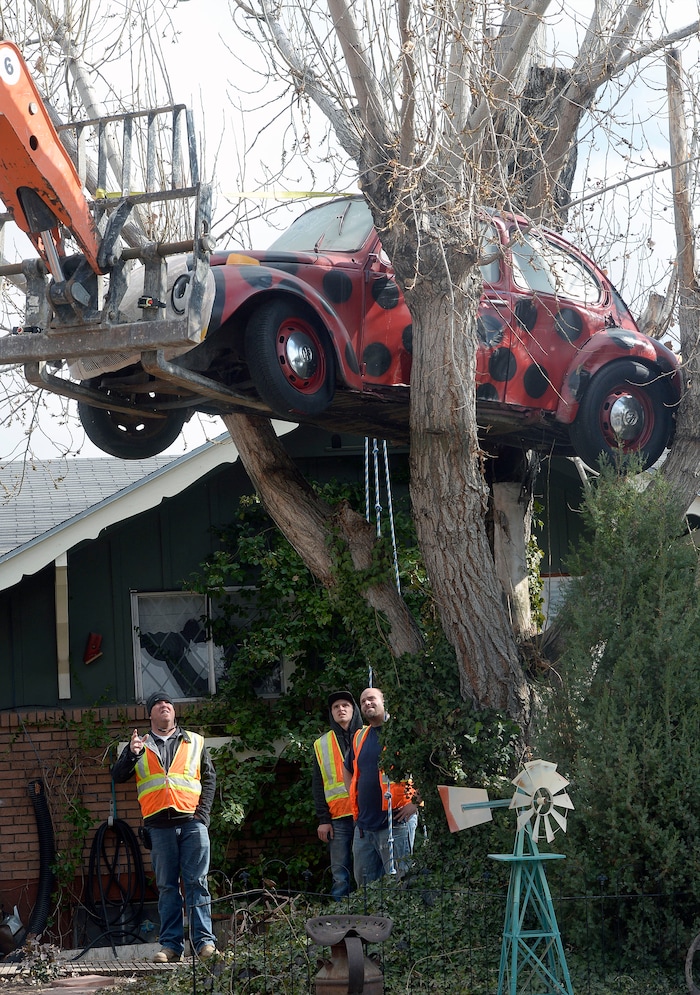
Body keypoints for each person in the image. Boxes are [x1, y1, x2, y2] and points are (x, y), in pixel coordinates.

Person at [112, 692, 217, 963]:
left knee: (198, 883)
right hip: (159, 827)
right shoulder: (139, 745)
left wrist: (202, 816)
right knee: (168, 888)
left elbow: (209, 778)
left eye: (168, 704)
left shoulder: (194, 741)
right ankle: (171, 947)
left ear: (174, 712)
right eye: (158, 705)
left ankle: (204, 944)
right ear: (151, 714)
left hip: (192, 824)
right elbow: (118, 776)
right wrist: (131, 755)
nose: (164, 707)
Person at [343, 686, 419, 886]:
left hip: (395, 824)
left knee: (402, 884)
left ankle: (400, 919)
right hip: (364, 827)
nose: (367, 703)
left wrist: (417, 802)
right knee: (366, 890)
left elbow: (425, 766)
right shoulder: (360, 736)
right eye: (363, 701)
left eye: (371, 699)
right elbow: (347, 768)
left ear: (384, 701)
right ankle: (374, 919)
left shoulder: (400, 732)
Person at [311, 690, 363, 899]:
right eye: (335, 707)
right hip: (338, 817)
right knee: (340, 874)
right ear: (331, 713)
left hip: (366, 815)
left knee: (366, 870)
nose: (341, 709)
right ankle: (341, 916)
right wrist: (324, 819)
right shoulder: (321, 744)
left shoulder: (369, 735)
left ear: (354, 709)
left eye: (345, 705)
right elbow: (318, 783)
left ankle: (370, 915)